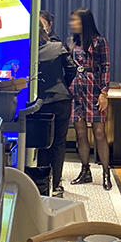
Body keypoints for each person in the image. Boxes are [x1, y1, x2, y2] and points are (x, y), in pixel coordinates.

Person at [68, 7, 111, 190]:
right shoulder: (72, 42)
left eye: (75, 20)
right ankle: (85, 170)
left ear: (85, 22)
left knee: (99, 132)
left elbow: (105, 66)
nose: (72, 24)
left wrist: (104, 93)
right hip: (76, 88)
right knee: (80, 132)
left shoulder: (99, 41)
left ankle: (106, 172)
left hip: (94, 88)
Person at [36, 23, 75, 194]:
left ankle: (42, 182)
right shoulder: (57, 47)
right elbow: (72, 68)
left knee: (42, 142)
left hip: (39, 102)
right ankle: (57, 183)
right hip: (61, 99)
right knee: (59, 143)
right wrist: (63, 85)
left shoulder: (29, 51)